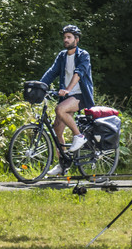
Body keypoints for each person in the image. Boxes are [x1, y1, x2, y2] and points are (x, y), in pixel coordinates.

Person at [39, 24, 95, 178]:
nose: (66, 39)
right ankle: (63, 164)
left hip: (81, 96)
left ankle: (79, 136)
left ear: (76, 39)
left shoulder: (83, 55)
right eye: (64, 37)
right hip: (67, 97)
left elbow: (79, 73)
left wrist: (69, 89)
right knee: (57, 129)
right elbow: (52, 72)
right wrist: (40, 86)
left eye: (69, 37)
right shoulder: (62, 56)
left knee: (60, 109)